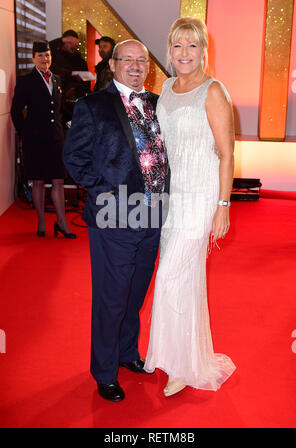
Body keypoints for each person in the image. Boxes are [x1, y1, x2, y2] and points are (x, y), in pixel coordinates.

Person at [63, 39, 170, 401]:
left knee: (136, 293)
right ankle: (104, 370)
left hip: (155, 211)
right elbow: (74, 157)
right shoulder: (92, 105)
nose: (137, 66)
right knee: (111, 297)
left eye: (143, 60)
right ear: (113, 64)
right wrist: (103, 191)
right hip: (114, 214)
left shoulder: (159, 104)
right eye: (128, 60)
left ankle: (127, 354)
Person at [144, 17, 236, 396]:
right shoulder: (165, 87)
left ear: (203, 51)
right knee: (182, 279)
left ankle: (182, 366)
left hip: (200, 196)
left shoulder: (213, 91)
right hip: (171, 197)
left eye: (192, 46)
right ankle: (178, 356)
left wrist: (223, 205)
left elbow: (228, 155)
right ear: (170, 50)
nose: (185, 53)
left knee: (169, 276)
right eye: (178, 46)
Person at [10, 40, 76, 239]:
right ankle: (41, 221)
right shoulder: (26, 81)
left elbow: (58, 109)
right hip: (35, 140)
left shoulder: (56, 79)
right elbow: (15, 111)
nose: (44, 59)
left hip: (56, 137)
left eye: (47, 55)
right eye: (40, 56)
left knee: (58, 180)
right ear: (33, 58)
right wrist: (25, 133)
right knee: (38, 182)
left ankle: (62, 222)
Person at [49, 30, 90, 125]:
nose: (73, 46)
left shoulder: (81, 62)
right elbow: (45, 48)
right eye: (70, 42)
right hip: (57, 105)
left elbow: (86, 85)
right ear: (63, 42)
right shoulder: (53, 57)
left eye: (75, 43)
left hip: (76, 106)